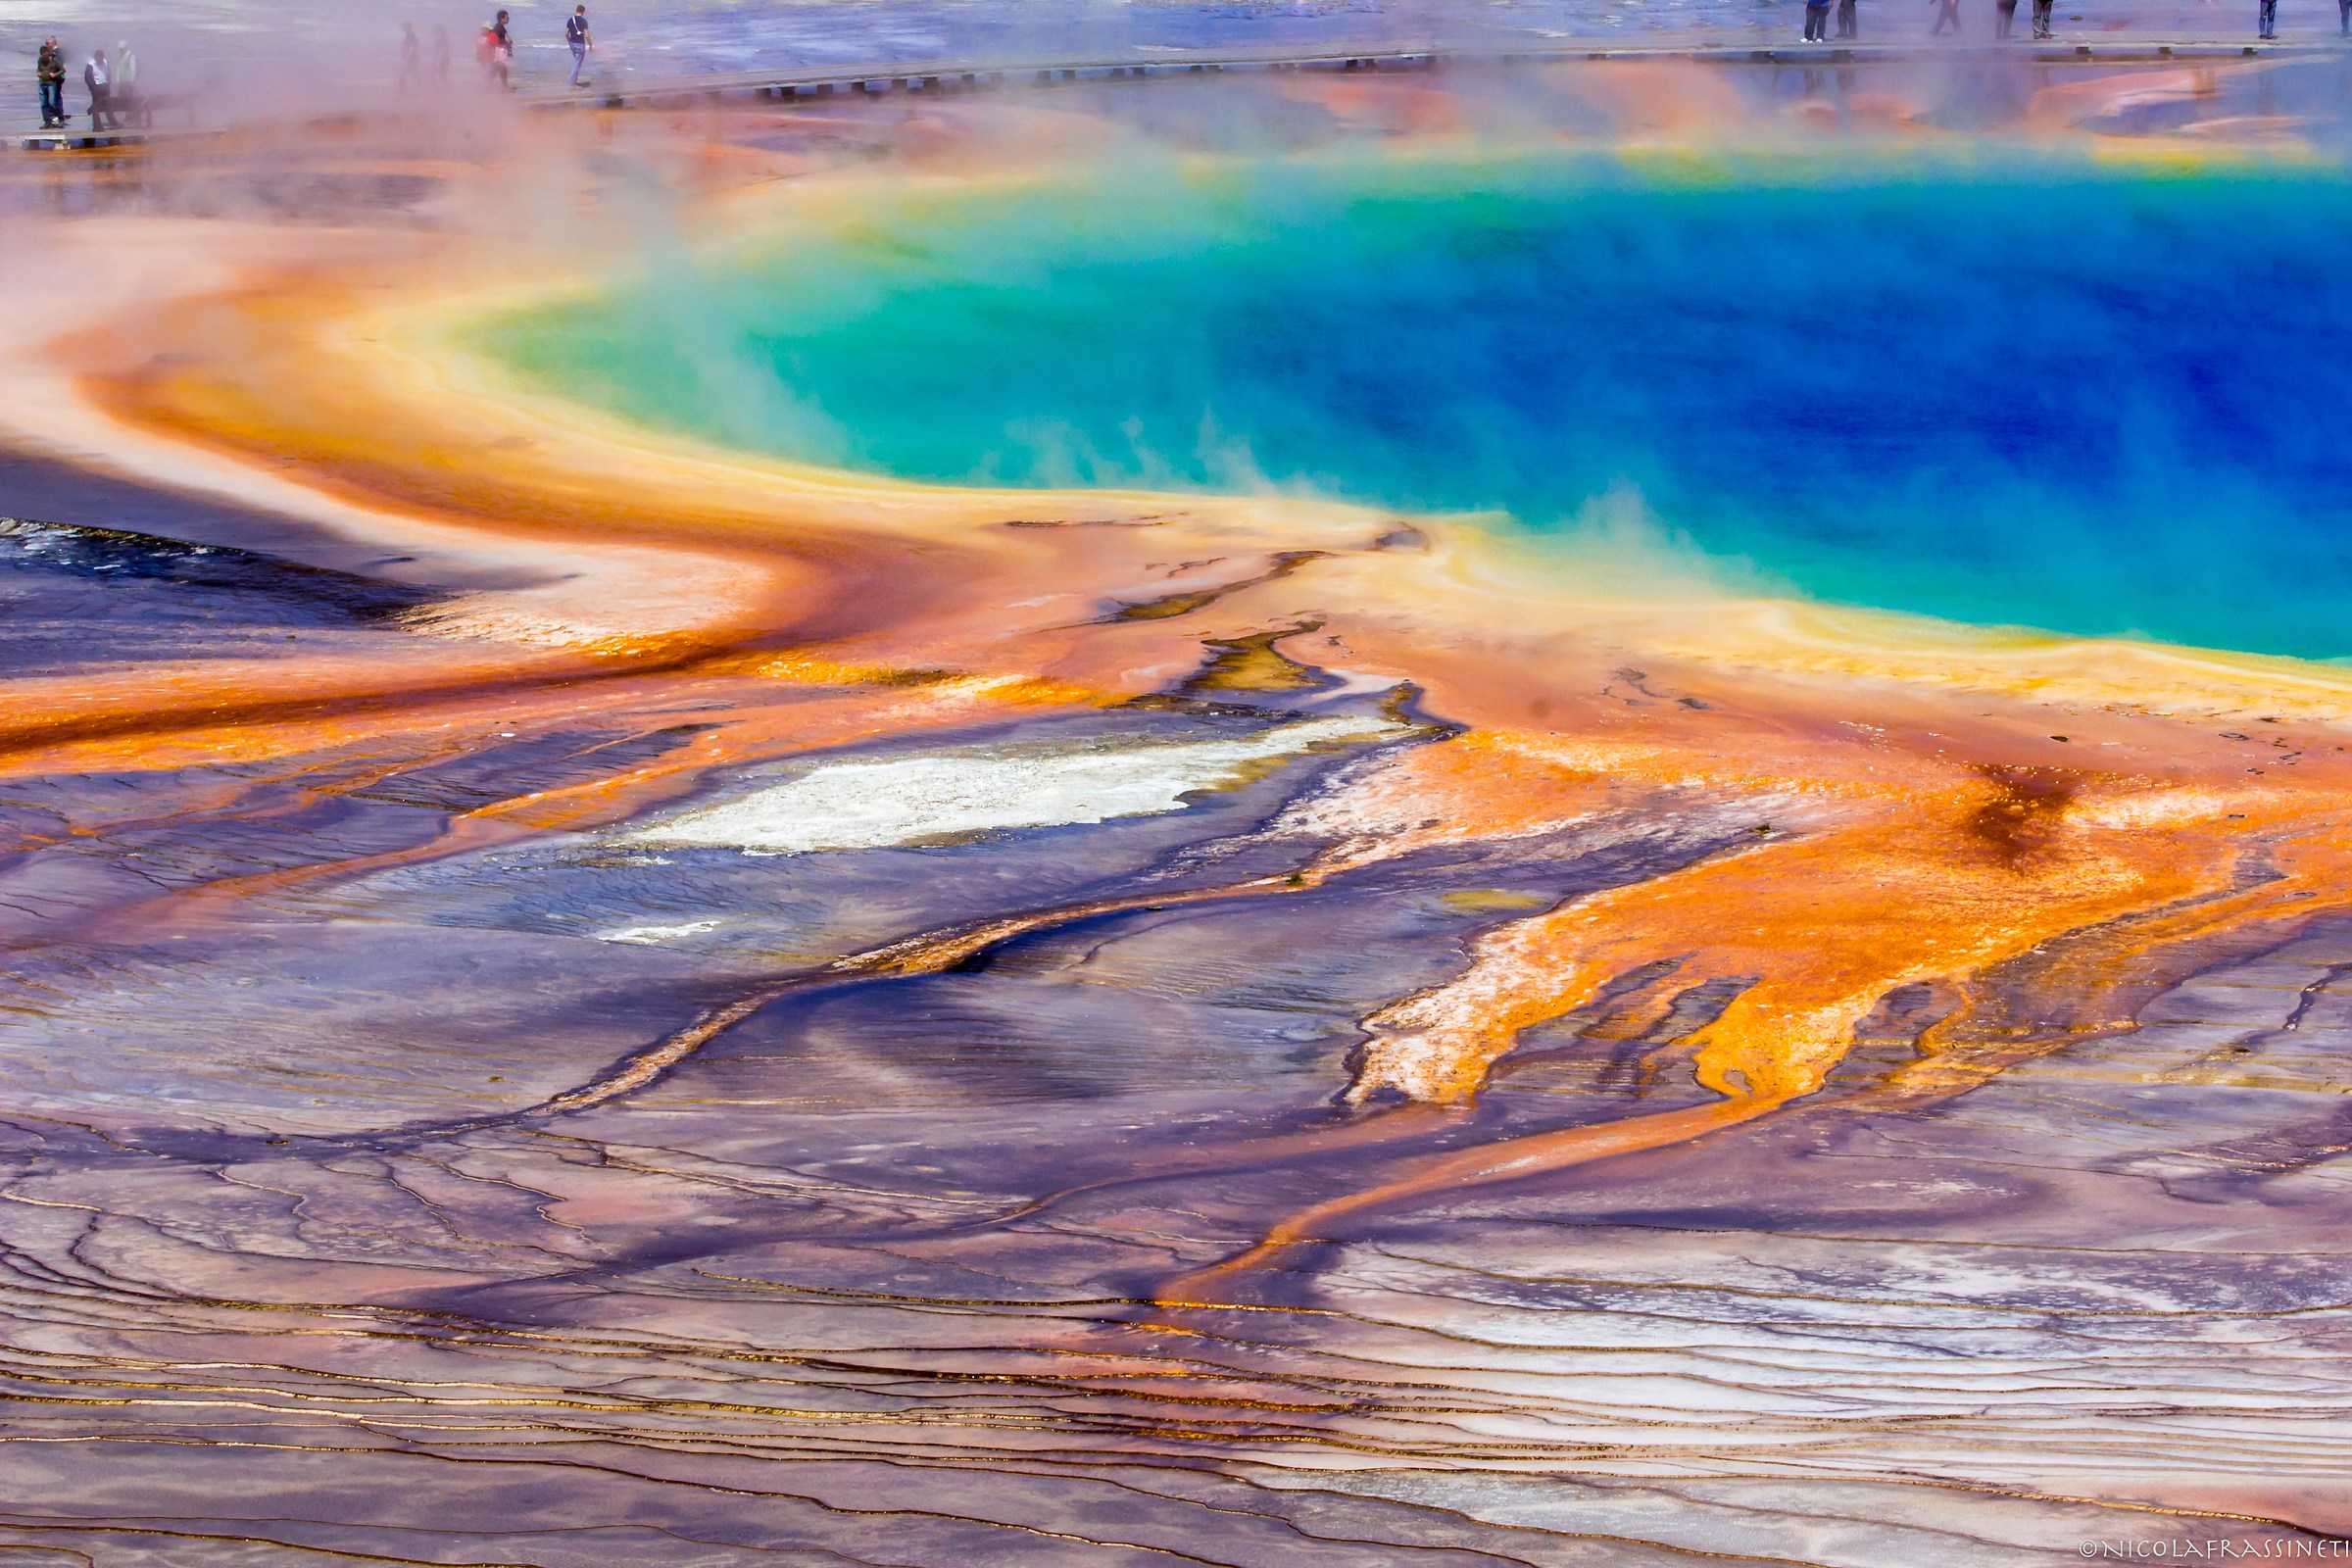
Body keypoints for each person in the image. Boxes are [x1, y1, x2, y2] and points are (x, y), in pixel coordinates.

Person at [36, 36, 65, 129]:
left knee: (53, 102)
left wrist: (55, 75)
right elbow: (38, 68)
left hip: (52, 83)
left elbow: (62, 69)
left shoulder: (54, 59)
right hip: (42, 84)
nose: (44, 57)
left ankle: (60, 117)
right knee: (44, 104)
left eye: (45, 55)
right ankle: (47, 122)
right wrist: (38, 73)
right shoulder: (40, 60)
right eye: (43, 55)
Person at [82, 46, 110, 130]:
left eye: (101, 58)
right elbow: (87, 78)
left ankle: (112, 121)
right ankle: (97, 125)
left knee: (108, 105)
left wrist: (108, 83)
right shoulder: (90, 65)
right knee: (96, 107)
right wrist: (93, 88)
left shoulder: (105, 62)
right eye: (98, 58)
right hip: (96, 87)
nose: (100, 59)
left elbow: (109, 73)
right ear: (95, 57)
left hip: (105, 86)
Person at [564, 6, 592, 87]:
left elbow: (566, 34)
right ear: (583, 11)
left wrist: (569, 41)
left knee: (576, 62)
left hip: (572, 44)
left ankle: (574, 80)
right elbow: (586, 36)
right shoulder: (583, 21)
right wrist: (590, 45)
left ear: (576, 11)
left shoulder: (570, 20)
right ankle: (572, 84)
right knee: (577, 64)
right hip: (580, 44)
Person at [399, 23, 422, 93]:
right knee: (409, 75)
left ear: (409, 28)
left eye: (405, 28)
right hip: (411, 59)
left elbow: (411, 49)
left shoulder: (412, 36)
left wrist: (406, 59)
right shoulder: (408, 35)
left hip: (412, 60)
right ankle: (403, 91)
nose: (404, 29)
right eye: (403, 28)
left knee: (408, 75)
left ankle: (402, 92)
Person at [431, 24, 452, 89]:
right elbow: (443, 51)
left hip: (442, 60)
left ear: (440, 32)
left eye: (436, 31)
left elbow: (441, 51)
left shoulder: (441, 40)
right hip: (445, 59)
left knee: (433, 73)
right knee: (443, 74)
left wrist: (437, 62)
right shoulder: (444, 39)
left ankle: (436, 89)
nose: (434, 32)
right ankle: (447, 89)